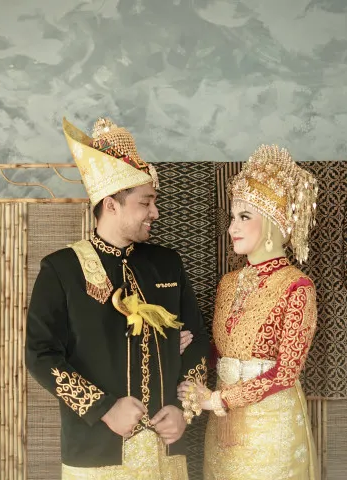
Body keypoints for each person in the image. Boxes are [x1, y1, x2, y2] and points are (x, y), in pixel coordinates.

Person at [26, 116, 210, 480]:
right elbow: (40, 354)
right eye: (146, 203)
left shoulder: (167, 264)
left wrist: (184, 409)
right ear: (111, 204)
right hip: (95, 452)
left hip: (166, 450)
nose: (155, 213)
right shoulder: (62, 269)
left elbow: (198, 340)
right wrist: (103, 408)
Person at [178, 144, 319, 480]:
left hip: (270, 424)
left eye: (244, 217)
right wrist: (183, 349)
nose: (232, 228)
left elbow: (285, 373)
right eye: (232, 218)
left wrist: (216, 400)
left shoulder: (297, 287)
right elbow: (220, 352)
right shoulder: (228, 283)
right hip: (223, 424)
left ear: (271, 222)